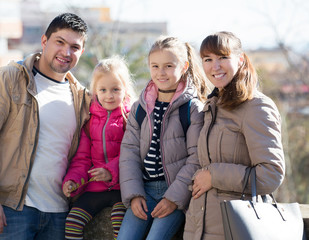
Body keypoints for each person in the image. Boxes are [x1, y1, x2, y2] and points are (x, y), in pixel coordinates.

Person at [0, 13, 91, 239]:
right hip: (12, 211)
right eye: (60, 42)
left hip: (60, 214)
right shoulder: (10, 78)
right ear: (44, 41)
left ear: (81, 51)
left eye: (74, 47)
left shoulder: (82, 97)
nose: (66, 52)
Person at [183, 31, 285, 240]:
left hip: (235, 229)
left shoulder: (257, 107)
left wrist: (214, 176)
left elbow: (271, 174)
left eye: (223, 57)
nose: (215, 66)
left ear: (240, 59)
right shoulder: (212, 106)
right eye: (208, 59)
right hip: (198, 228)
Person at [117, 36, 208, 240]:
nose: (161, 72)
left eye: (168, 66)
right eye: (155, 66)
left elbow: (196, 158)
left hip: (176, 192)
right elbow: (129, 152)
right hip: (144, 190)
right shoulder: (140, 108)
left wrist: (174, 199)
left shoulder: (192, 109)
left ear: (184, 66)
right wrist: (134, 195)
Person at [62, 56, 134, 240]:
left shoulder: (130, 118)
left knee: (120, 221)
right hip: (94, 189)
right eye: (103, 90)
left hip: (122, 188)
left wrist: (111, 171)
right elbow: (82, 159)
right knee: (72, 222)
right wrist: (72, 181)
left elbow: (133, 153)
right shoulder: (89, 121)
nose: (109, 95)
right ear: (95, 91)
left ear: (125, 90)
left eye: (115, 89)